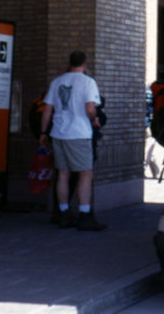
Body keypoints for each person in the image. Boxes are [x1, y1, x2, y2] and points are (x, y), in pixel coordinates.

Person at [38, 51, 107, 231]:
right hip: (79, 133)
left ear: (69, 63)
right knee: (86, 174)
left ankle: (63, 213)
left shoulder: (56, 82)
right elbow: (90, 108)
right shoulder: (88, 82)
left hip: (58, 133)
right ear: (85, 64)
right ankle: (85, 214)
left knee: (63, 173)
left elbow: (47, 110)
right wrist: (94, 119)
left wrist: (43, 132)